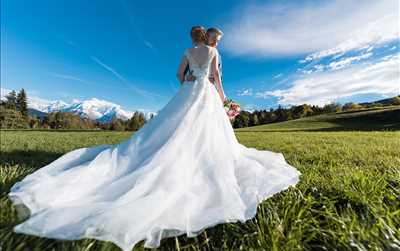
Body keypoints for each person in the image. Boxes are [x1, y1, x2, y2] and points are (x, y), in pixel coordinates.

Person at [8, 26, 302, 251]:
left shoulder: (188, 52)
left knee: (175, 128)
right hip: (206, 93)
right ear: (208, 37)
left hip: (188, 91)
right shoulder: (213, 53)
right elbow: (217, 80)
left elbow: (178, 74)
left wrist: (188, 84)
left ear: (193, 37)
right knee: (207, 132)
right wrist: (224, 102)